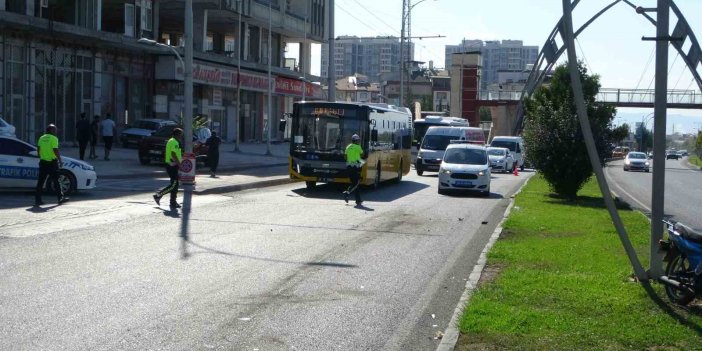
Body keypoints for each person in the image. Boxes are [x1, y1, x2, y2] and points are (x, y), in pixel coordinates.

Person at [35, 124, 68, 206]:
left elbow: (38, 149)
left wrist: (41, 156)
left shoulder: (41, 138)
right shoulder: (54, 138)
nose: (56, 131)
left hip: (43, 163)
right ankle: (60, 198)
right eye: (55, 129)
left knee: (40, 182)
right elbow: (55, 150)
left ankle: (38, 200)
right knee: (56, 181)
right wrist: (60, 160)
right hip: (52, 163)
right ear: (51, 130)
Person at [153, 128, 183, 209]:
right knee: (174, 185)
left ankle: (173, 202)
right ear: (177, 134)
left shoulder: (172, 141)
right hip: (172, 165)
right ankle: (158, 195)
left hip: (172, 165)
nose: (181, 136)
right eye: (180, 134)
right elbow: (173, 154)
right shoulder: (174, 142)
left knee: (175, 185)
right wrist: (180, 165)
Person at [343, 134, 364, 206]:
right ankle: (347, 192)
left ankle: (358, 200)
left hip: (349, 167)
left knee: (354, 183)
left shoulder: (348, 146)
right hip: (356, 167)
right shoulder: (358, 147)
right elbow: (362, 155)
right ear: (356, 141)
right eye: (358, 140)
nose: (359, 142)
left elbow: (345, 157)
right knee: (356, 183)